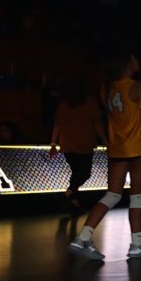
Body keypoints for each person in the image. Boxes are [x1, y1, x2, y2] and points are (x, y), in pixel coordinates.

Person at [66, 52, 141, 261]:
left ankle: (82, 237)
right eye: (133, 58)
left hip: (117, 148)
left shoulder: (106, 88)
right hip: (137, 147)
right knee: (138, 196)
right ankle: (137, 244)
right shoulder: (139, 87)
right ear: (126, 65)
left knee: (112, 195)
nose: (137, 60)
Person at [50, 77, 102, 213]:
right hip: (84, 142)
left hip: (67, 143)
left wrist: (53, 143)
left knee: (76, 173)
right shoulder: (91, 102)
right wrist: (106, 139)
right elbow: (97, 123)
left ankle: (74, 203)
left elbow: (57, 125)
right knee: (84, 173)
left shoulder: (64, 104)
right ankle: (67, 195)